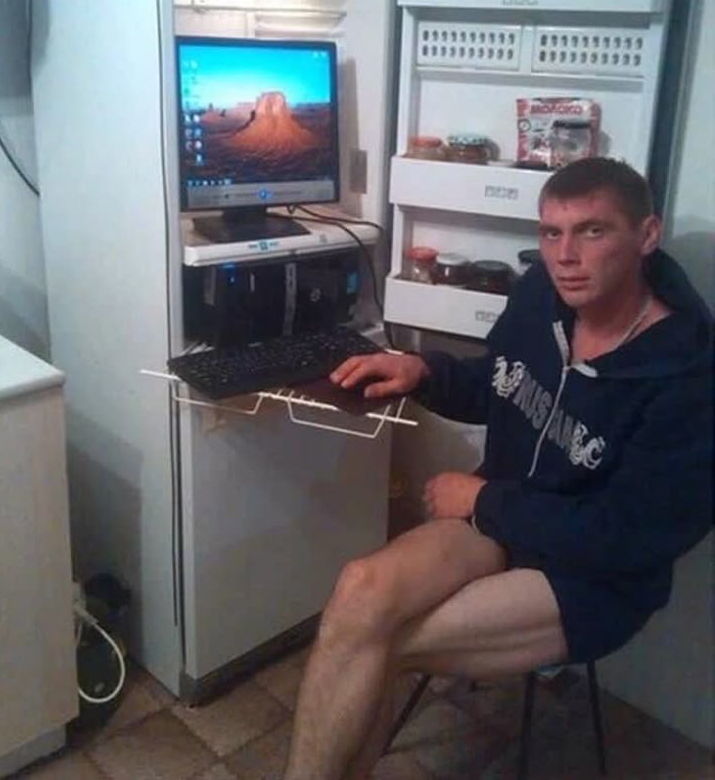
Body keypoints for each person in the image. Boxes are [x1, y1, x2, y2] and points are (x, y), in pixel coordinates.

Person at [283, 157, 713, 780]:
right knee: (360, 594)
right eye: (551, 233)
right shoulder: (541, 293)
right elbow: (500, 384)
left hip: (591, 580)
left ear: (647, 235)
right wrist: (422, 371)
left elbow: (630, 537)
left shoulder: (688, 378)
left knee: (382, 642)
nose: (565, 256)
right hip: (502, 515)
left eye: (592, 231)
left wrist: (483, 502)